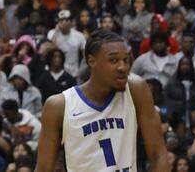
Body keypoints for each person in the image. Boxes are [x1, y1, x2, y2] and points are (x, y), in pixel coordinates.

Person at [35, 29, 167, 172]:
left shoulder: (136, 89)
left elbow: (158, 155)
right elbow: (44, 168)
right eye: (114, 60)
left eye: (125, 59)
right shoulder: (59, 105)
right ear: (92, 61)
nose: (123, 67)